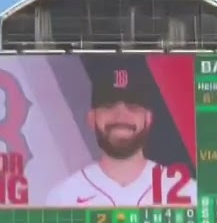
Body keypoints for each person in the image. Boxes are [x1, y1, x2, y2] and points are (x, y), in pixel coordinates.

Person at [46, 68, 198, 207]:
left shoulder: (187, 192)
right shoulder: (63, 197)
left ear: (148, 119)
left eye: (133, 106)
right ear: (92, 118)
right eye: (109, 105)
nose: (121, 115)